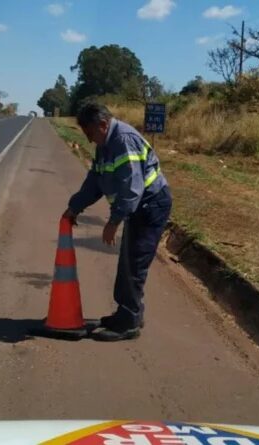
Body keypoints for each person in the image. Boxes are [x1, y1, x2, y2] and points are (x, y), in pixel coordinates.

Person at [63, 103, 172, 341]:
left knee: (133, 264)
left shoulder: (122, 140)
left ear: (103, 125)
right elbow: (96, 180)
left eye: (90, 133)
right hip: (139, 207)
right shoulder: (105, 144)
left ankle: (129, 323)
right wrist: (75, 207)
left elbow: (132, 189)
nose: (90, 140)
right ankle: (129, 313)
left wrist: (113, 222)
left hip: (151, 205)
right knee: (128, 262)